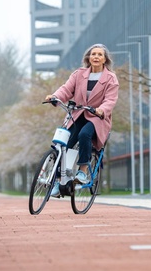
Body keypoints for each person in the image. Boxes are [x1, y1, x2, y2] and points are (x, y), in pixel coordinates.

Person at [45, 43, 119, 197]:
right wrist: (55, 96)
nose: (96, 57)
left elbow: (110, 100)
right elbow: (66, 89)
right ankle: (59, 181)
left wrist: (101, 110)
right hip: (78, 114)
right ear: (88, 57)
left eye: (100, 54)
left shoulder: (111, 78)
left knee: (84, 135)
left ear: (105, 59)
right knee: (64, 145)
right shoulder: (79, 74)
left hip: (97, 117)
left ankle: (83, 171)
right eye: (93, 54)